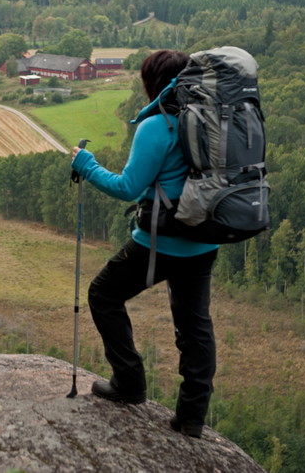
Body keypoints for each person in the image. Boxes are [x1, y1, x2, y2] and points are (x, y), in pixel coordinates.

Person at [70, 49, 218, 439]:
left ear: (153, 83)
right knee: (195, 327)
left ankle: (129, 383)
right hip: (206, 238)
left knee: (103, 294)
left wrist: (86, 164)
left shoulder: (158, 124)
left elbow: (128, 187)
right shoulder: (213, 117)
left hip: (161, 240)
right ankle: (191, 418)